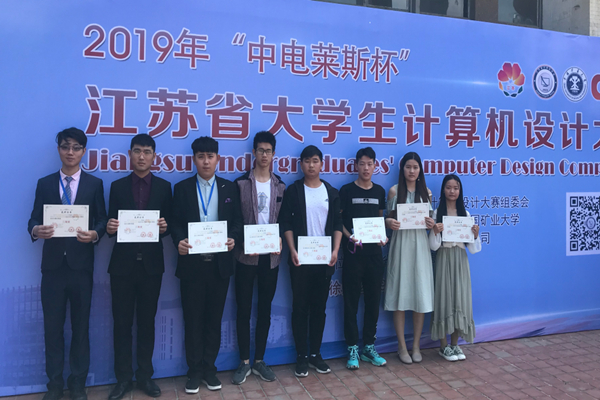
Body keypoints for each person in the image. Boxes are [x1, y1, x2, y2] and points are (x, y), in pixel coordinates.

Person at [28, 127, 107, 400]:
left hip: (81, 267)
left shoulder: (94, 184)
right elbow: (33, 218)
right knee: (52, 329)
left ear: (83, 151)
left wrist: (95, 234)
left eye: (76, 148)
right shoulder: (45, 183)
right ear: (59, 150)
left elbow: (101, 218)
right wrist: (36, 230)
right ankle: (54, 385)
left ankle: (77, 384)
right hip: (52, 268)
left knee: (80, 328)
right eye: (65, 147)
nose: (70, 152)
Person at [171, 136, 243, 393]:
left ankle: (209, 370)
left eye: (210, 156)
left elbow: (238, 221)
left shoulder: (229, 188)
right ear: (194, 159)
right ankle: (194, 372)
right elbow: (175, 222)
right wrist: (179, 240)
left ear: (218, 159)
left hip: (219, 265)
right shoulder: (181, 188)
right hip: (192, 265)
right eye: (201, 156)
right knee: (192, 320)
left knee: (214, 319)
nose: (205, 161)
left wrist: (233, 238)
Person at [105, 134, 172, 399]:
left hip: (151, 266)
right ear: (130, 154)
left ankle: (145, 376)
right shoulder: (117, 186)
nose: (141, 156)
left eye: (146, 152)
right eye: (137, 151)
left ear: (154, 156)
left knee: (147, 322)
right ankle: (123, 379)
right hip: (122, 265)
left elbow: (169, 226)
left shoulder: (165, 187)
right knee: (121, 323)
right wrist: (110, 227)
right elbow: (110, 224)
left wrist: (165, 228)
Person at [279, 145, 343, 378]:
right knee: (300, 308)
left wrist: (335, 250)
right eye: (307, 161)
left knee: (319, 308)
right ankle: (301, 356)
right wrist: (292, 250)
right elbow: (285, 223)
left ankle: (315, 354)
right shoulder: (294, 190)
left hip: (324, 260)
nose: (311, 165)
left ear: (321, 164)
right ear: (301, 164)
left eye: (315, 161)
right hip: (300, 260)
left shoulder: (331, 192)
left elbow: (337, 224)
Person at [231, 131, 286, 384]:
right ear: (253, 153)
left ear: (274, 154)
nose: (264, 155)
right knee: (243, 308)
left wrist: (281, 239)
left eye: (268, 151)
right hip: (246, 256)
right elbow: (234, 220)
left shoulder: (280, 185)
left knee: (265, 308)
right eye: (260, 150)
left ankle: (260, 360)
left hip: (270, 258)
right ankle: (244, 362)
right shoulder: (240, 184)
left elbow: (284, 220)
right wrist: (243, 242)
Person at [384, 152, 435, 364]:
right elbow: (387, 219)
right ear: (402, 169)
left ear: (420, 170)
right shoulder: (394, 191)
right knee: (400, 293)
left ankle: (415, 346)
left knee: (419, 294)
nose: (412, 171)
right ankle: (402, 346)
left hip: (420, 247)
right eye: (408, 167)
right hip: (400, 245)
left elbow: (430, 221)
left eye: (415, 167)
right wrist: (389, 222)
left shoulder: (427, 193)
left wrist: (431, 224)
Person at [339, 147, 388, 370]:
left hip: (374, 256)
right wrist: (350, 237)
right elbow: (338, 222)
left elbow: (379, 220)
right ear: (356, 165)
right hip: (353, 255)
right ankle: (352, 348)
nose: (366, 168)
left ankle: (369, 346)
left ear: (375, 166)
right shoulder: (346, 190)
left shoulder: (379, 191)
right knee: (350, 302)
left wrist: (382, 237)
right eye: (362, 164)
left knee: (372, 301)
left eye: (370, 164)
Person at [428, 174, 481, 361]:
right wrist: (435, 232)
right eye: (449, 187)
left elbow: (473, 249)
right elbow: (433, 246)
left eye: (456, 188)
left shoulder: (465, 215)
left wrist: (475, 235)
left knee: (460, 299)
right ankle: (443, 346)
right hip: (444, 257)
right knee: (444, 298)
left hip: (460, 258)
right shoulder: (437, 213)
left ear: (460, 191)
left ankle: (455, 344)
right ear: (443, 190)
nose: (452, 191)